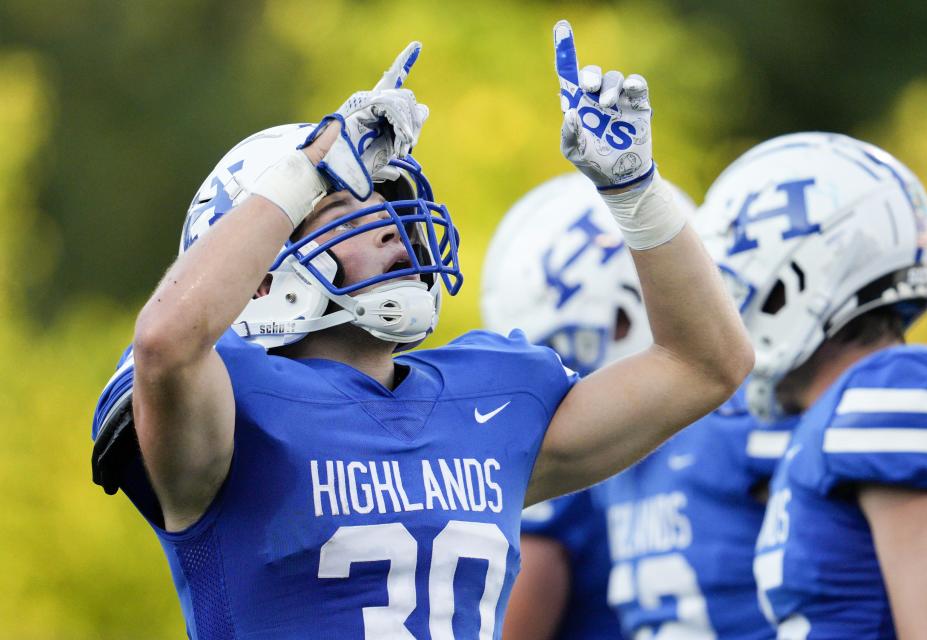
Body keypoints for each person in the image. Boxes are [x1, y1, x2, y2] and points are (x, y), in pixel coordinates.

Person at [91, 22, 752, 638]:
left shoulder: (493, 397)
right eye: (343, 208)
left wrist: (637, 194)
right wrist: (305, 170)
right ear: (260, 277)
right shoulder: (228, 407)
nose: (390, 226)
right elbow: (165, 342)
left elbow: (708, 363)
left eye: (391, 207)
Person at [484, 173, 797, 640]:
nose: (566, 376)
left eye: (576, 348)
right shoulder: (638, 460)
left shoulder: (742, 429)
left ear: (631, 313)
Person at [696, 131, 927, 639]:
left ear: (793, 283)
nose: (719, 315)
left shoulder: (887, 396)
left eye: (732, 290)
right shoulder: (825, 420)